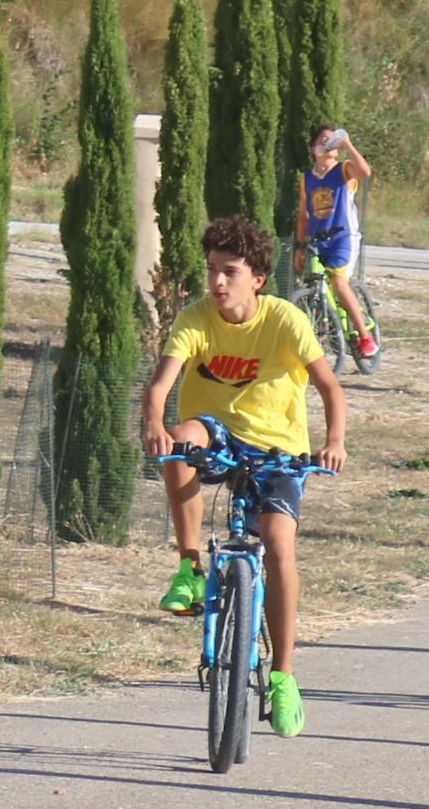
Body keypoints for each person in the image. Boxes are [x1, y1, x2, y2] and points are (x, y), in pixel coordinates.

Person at [144, 213, 351, 740]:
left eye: (229, 271)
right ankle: (190, 567)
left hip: (279, 448)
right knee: (181, 441)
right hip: (219, 434)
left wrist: (333, 443)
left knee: (279, 544)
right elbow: (161, 384)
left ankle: (282, 676)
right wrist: (154, 425)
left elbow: (330, 388)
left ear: (257, 278)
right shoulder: (195, 318)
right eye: (212, 269)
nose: (217, 282)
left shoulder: (284, 321)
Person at [294, 124, 380, 365]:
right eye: (323, 139)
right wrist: (300, 247)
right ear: (313, 148)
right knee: (314, 284)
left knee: (339, 283)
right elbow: (303, 216)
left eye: (332, 141)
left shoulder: (343, 170)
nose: (328, 143)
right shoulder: (307, 178)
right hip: (316, 241)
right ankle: (328, 330)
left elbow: (364, 172)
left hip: (343, 238)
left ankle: (365, 336)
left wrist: (348, 144)